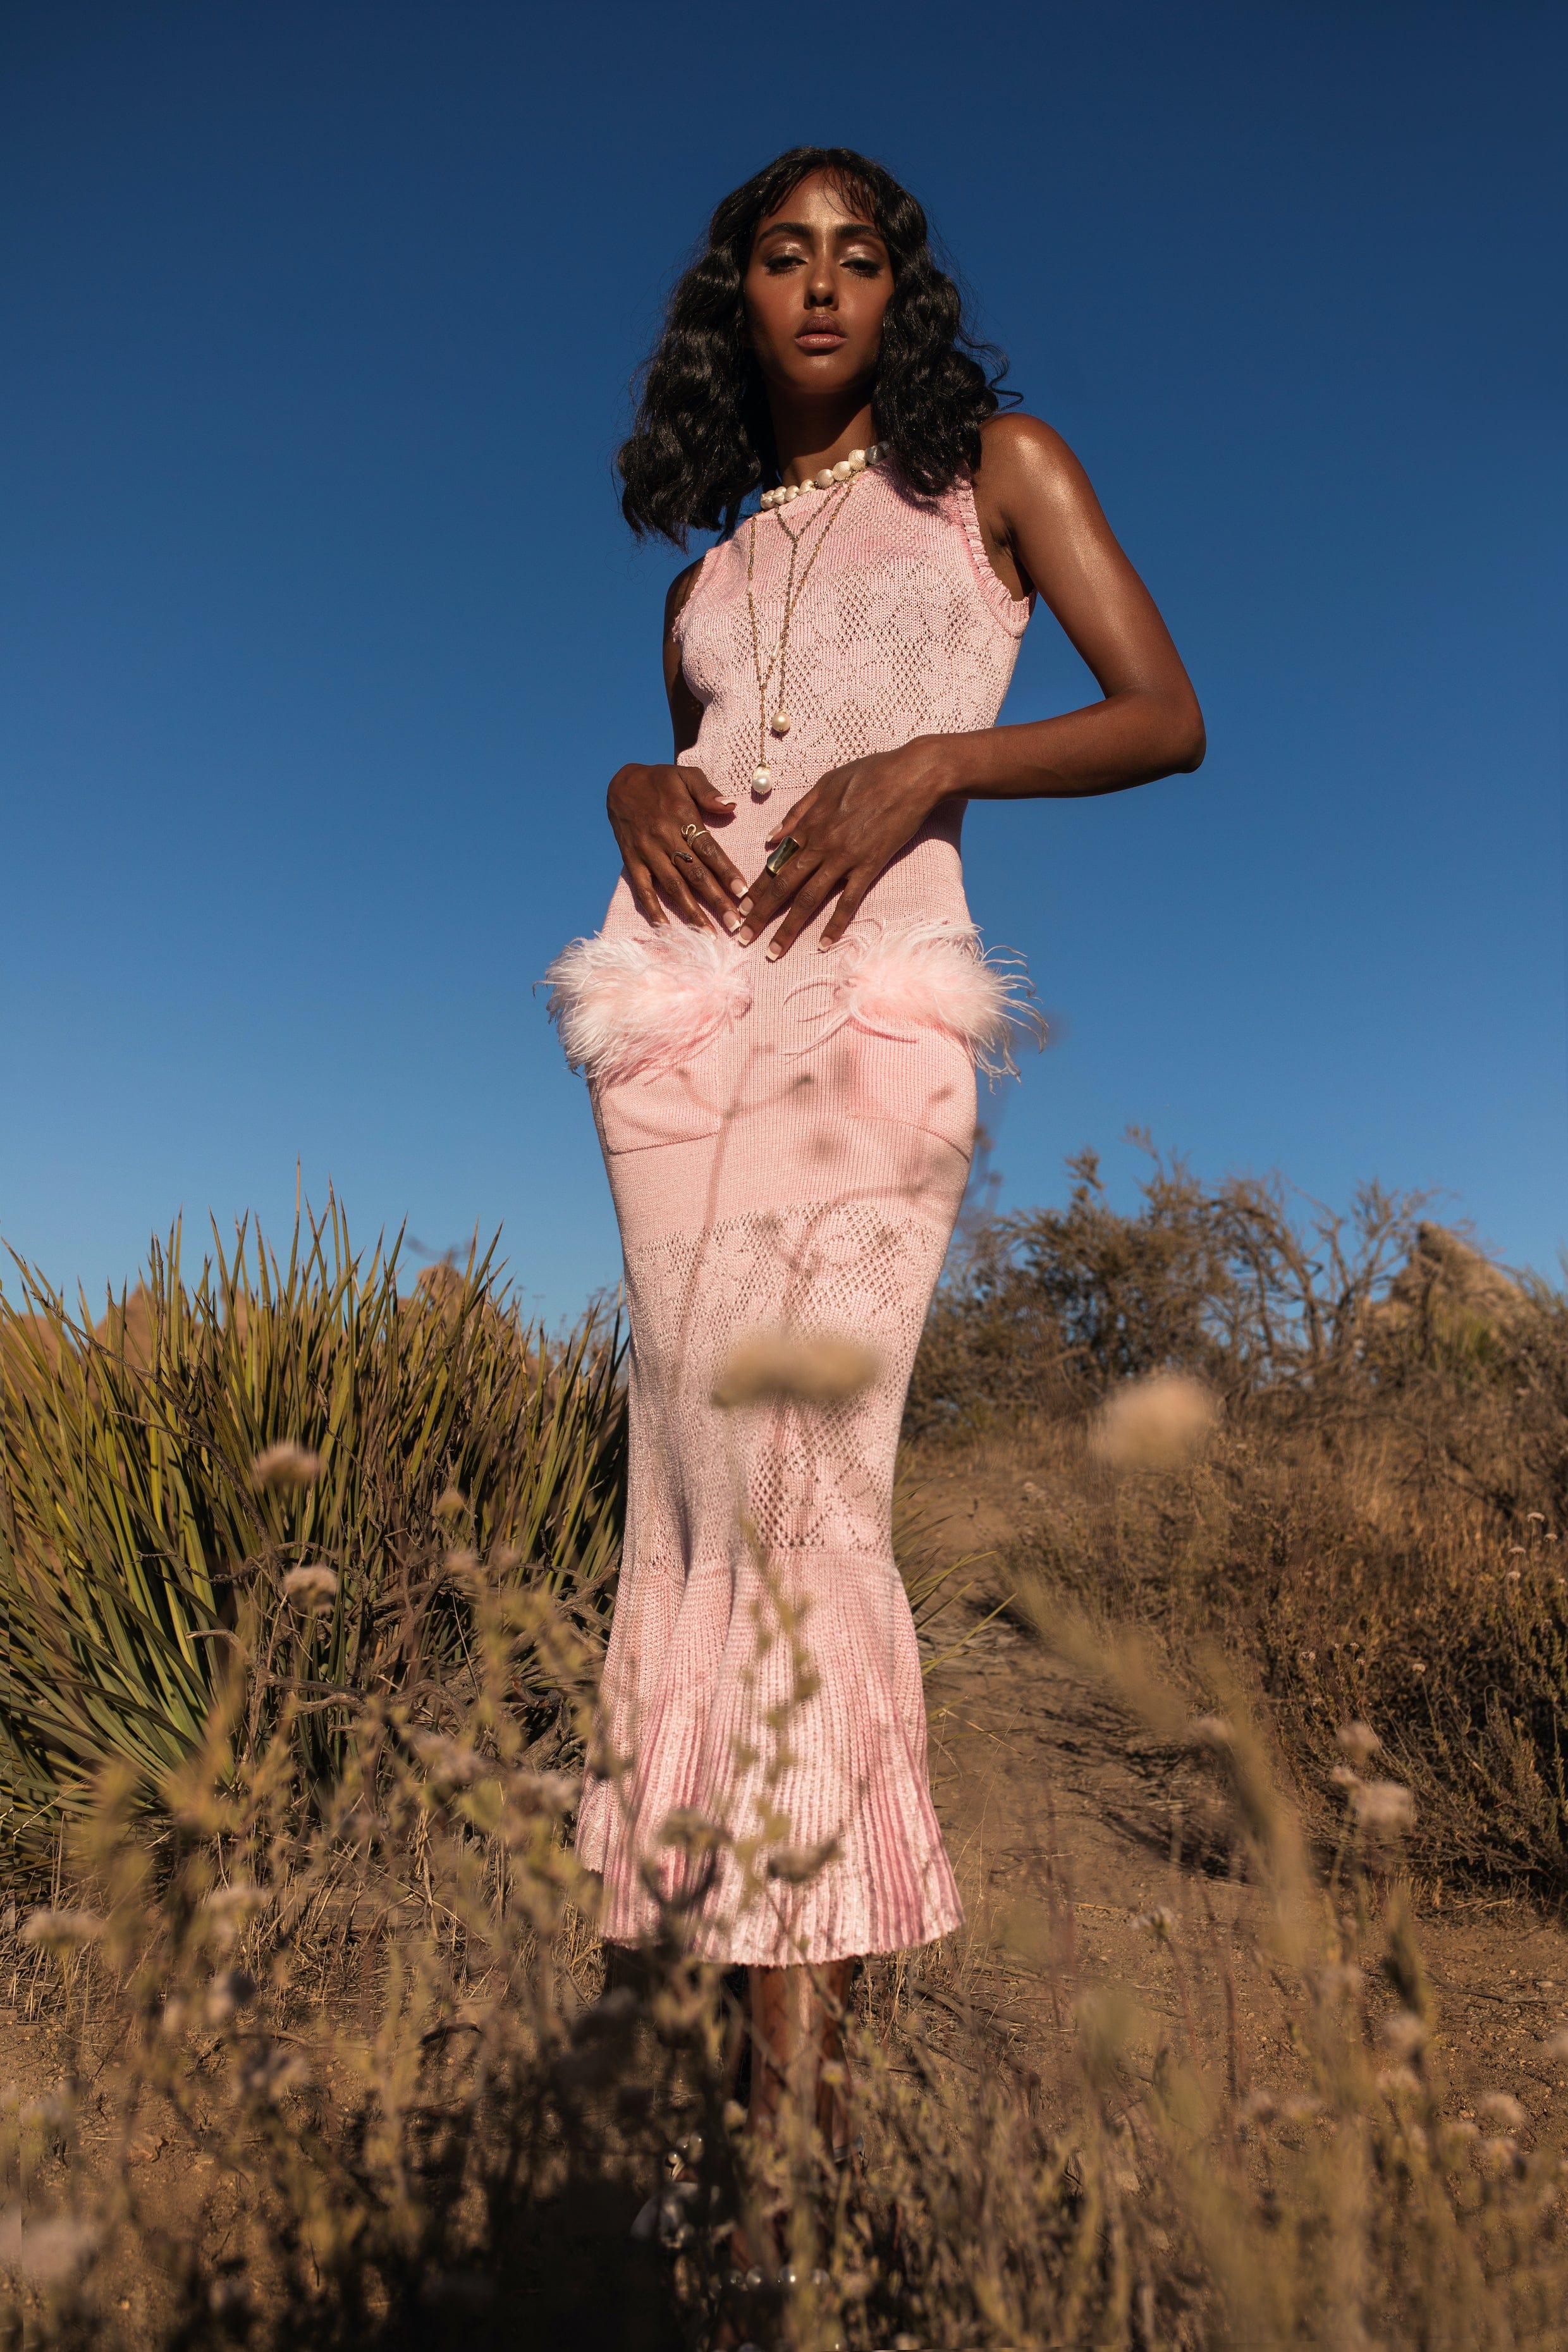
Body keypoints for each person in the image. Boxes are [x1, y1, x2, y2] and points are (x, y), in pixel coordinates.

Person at [547, 142, 1203, 2205]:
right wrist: (632, 777)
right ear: (735, 300)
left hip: (871, 1018)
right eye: (782, 255)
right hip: (679, 1035)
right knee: (700, 1506)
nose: (821, 284)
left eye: (857, 257)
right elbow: (705, 777)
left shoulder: (998, 472)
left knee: (808, 1500)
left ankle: (794, 2164)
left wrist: (936, 763)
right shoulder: (704, 578)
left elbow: (1164, 716)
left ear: (896, 295)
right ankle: (732, 2044)